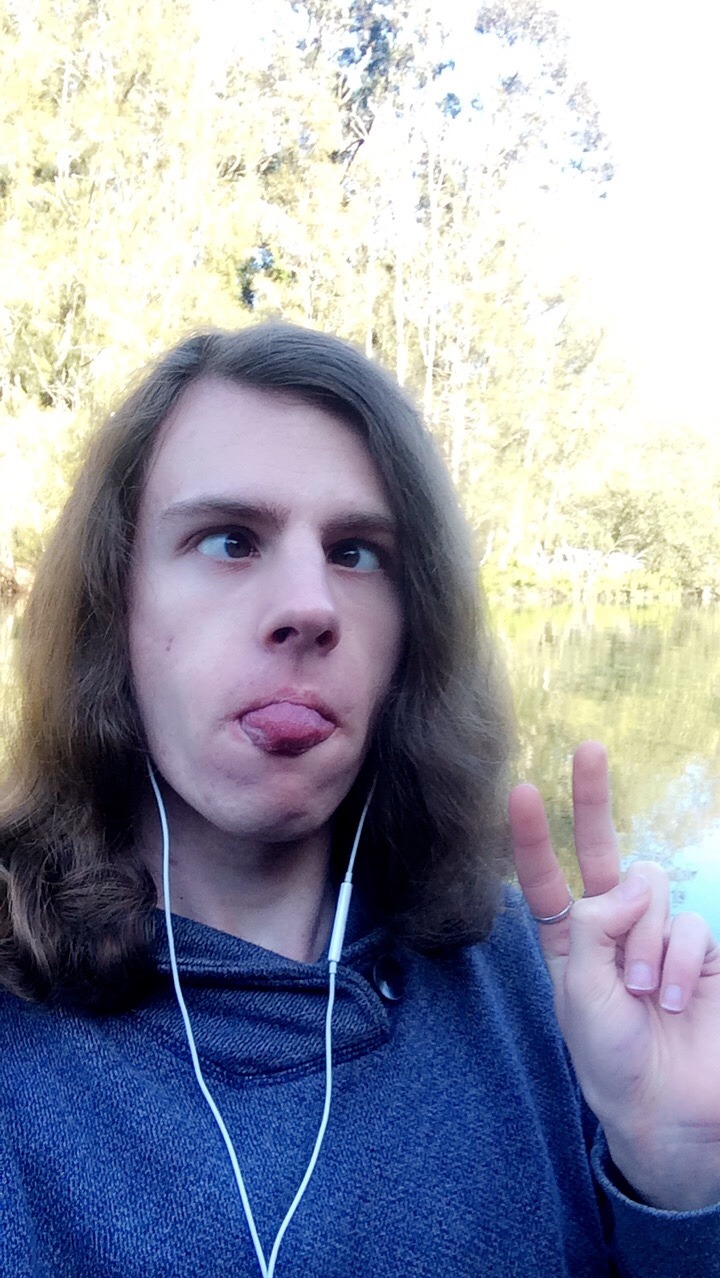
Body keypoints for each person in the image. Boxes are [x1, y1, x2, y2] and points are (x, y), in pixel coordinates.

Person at [0, 324, 718, 1278]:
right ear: (112, 607)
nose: (311, 605)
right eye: (229, 541)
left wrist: (679, 1180)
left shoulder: (546, 985)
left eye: (358, 552)